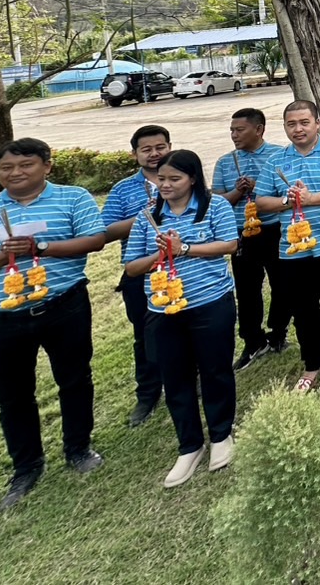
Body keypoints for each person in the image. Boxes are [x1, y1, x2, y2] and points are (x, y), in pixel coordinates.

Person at [0, 139, 107, 511]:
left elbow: (95, 240)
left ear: (47, 166)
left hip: (63, 305)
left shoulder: (73, 198)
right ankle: (26, 466)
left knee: (74, 379)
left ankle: (78, 448)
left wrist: (41, 248)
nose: (16, 173)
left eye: (26, 166)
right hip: (2, 317)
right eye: (7, 168)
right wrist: (1, 255)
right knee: (13, 397)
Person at [124, 150, 239, 487]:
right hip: (163, 311)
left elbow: (229, 245)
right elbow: (131, 267)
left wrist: (184, 249)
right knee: (175, 377)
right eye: (162, 179)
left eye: (174, 179)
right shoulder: (148, 217)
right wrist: (158, 255)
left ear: (192, 179)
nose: (166, 185)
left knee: (216, 370)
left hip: (210, 302)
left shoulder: (213, 206)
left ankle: (221, 435)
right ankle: (189, 445)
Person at [254, 101, 320, 395]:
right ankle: (312, 362)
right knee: (303, 309)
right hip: (293, 250)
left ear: (317, 123)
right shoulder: (277, 160)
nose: (298, 129)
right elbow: (261, 201)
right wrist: (288, 201)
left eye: (304, 122)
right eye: (291, 124)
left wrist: (312, 199)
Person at [101, 124, 172, 427]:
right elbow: (105, 231)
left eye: (160, 147)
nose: (155, 154)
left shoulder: (185, 179)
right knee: (145, 336)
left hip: (183, 268)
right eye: (147, 149)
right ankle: (148, 394)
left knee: (188, 326)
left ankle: (189, 379)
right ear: (135, 154)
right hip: (141, 272)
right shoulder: (123, 189)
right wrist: (145, 216)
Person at [212, 108, 289, 370]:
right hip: (242, 233)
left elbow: (288, 191)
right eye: (231, 130)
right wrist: (237, 191)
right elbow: (218, 202)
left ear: (259, 129)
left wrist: (258, 187)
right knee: (246, 289)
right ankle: (253, 340)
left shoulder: (280, 154)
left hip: (275, 229)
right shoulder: (225, 162)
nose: (234, 135)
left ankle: (278, 332)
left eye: (239, 129)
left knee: (282, 283)